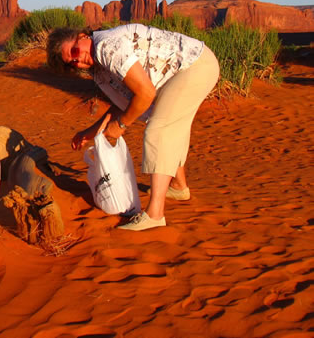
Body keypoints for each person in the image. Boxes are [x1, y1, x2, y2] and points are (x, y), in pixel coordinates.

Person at [47, 23, 220, 231]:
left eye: (75, 51)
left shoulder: (106, 46)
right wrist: (90, 133)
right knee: (169, 122)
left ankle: (155, 215)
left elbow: (145, 94)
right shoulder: (100, 73)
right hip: (192, 68)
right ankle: (178, 186)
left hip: (195, 65)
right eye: (73, 63)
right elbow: (124, 104)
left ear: (83, 36)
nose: (80, 60)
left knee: (160, 129)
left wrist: (122, 124)